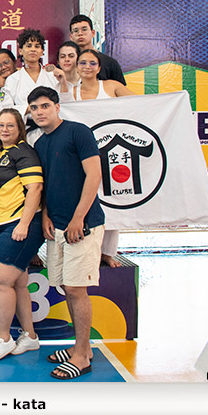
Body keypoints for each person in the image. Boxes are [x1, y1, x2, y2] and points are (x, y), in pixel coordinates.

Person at [29, 87, 105, 380]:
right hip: (58, 227)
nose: (40, 112)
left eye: (45, 106)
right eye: (34, 108)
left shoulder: (78, 132)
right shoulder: (40, 143)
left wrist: (78, 217)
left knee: (76, 289)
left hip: (83, 225)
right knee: (66, 287)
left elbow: (94, 175)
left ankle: (82, 356)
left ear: (57, 107)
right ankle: (80, 347)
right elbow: (47, 184)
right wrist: (47, 214)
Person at [0, 108, 45, 362]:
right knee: (18, 282)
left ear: (20, 129)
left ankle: (3, 338)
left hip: (18, 225)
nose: (5, 129)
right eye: (1, 125)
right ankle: (30, 336)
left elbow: (35, 188)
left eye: (10, 125)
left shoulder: (23, 152)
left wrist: (24, 224)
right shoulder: (1, 153)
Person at [72, 49, 135, 268]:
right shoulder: (70, 92)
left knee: (112, 200)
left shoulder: (111, 86)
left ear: (99, 67)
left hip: (110, 149)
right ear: (77, 67)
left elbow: (141, 105)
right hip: (82, 153)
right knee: (84, 197)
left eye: (92, 63)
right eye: (82, 63)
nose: (87, 67)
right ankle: (87, 248)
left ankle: (108, 252)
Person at [3, 28, 68, 125]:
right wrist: (28, 109)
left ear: (42, 52)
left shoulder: (52, 76)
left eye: (37, 46)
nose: (33, 49)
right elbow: (6, 109)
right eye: (29, 46)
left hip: (52, 127)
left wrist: (63, 82)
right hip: (26, 128)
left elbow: (65, 104)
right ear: (20, 51)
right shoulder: (13, 79)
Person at [69, 14, 125, 84]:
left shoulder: (110, 63)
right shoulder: (67, 63)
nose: (80, 33)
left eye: (84, 29)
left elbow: (120, 89)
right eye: (76, 31)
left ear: (93, 33)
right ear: (71, 36)